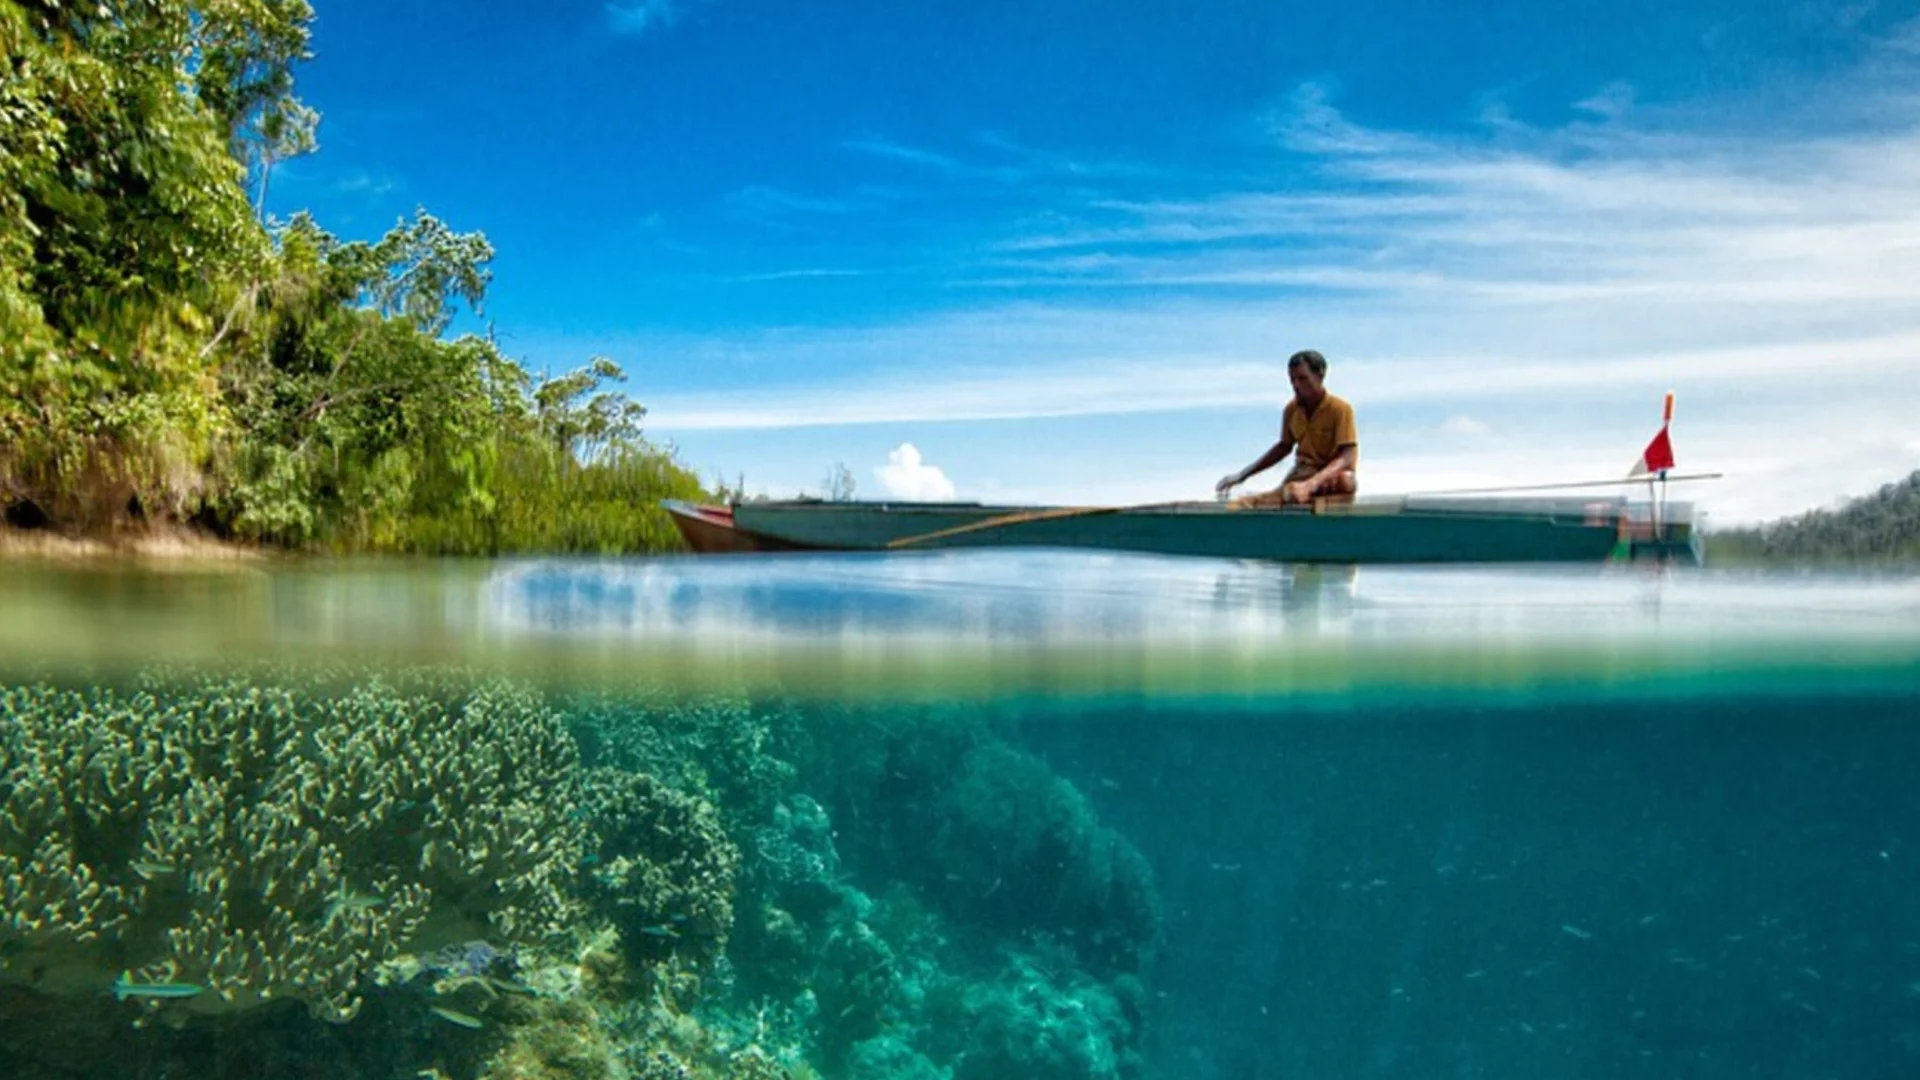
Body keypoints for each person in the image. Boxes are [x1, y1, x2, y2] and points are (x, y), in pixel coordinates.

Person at [1215, 349, 1358, 508]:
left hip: (1328, 477)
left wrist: (1311, 485)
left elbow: (1347, 457)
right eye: (1292, 380)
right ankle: (1252, 503)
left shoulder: (1340, 409)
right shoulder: (1291, 410)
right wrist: (1242, 475)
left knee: (1346, 480)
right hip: (1302, 474)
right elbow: (1284, 446)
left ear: (1320, 376)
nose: (1296, 385)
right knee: (1266, 500)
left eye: (1303, 379)